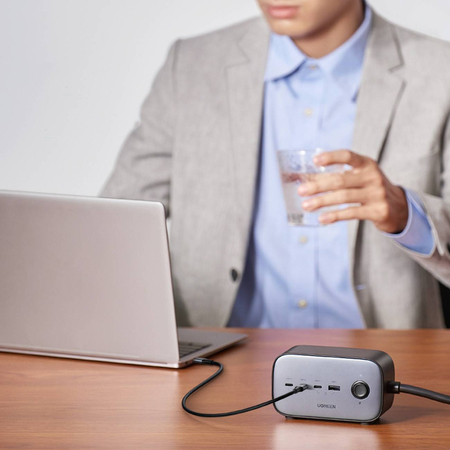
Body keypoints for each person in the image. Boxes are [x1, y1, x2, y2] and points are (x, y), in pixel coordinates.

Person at [101, 0, 450, 328]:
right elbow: (110, 230)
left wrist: (407, 216)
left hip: (387, 361)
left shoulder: (439, 73)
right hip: (220, 358)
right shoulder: (192, 65)